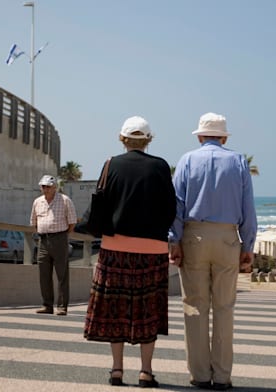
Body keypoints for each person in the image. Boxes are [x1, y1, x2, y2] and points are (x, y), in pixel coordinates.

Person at [83, 116, 176, 388]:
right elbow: (171, 209)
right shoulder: (159, 167)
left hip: (115, 248)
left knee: (116, 310)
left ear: (122, 139)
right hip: (153, 249)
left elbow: (100, 205)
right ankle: (146, 372)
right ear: (148, 140)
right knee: (148, 311)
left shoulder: (111, 164)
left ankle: (117, 370)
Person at [168, 112, 257, 391]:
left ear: (199, 136)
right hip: (228, 237)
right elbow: (248, 207)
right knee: (224, 307)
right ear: (224, 136)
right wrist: (248, 245)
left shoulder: (187, 160)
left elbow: (177, 206)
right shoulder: (239, 161)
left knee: (194, 306)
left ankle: (199, 375)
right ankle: (221, 376)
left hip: (193, 234)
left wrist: (175, 241)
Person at [30, 174, 77, 316]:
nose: (45, 189)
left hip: (59, 239)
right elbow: (33, 222)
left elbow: (72, 222)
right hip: (43, 240)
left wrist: (62, 236)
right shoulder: (37, 202)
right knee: (43, 274)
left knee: (62, 274)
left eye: (48, 186)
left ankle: (62, 306)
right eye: (43, 186)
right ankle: (47, 305)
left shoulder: (64, 200)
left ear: (55, 187)